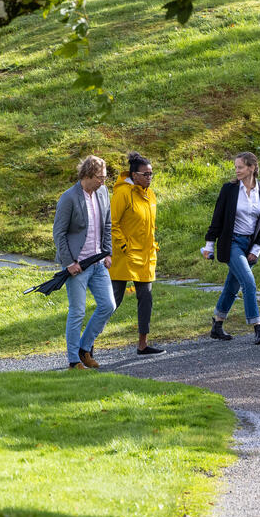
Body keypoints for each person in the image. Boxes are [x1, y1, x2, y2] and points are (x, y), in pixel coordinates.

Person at [202, 152, 260, 345]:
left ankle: (217, 324)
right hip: (231, 243)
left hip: (250, 246)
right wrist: (209, 245)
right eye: (236, 168)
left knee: (232, 286)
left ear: (251, 168)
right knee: (248, 282)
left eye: (240, 167)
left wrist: (256, 249)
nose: (237, 171)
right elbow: (217, 218)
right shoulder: (229, 189)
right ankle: (257, 327)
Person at [53, 155, 115, 369]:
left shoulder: (103, 193)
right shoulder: (69, 198)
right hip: (77, 266)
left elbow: (107, 225)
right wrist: (69, 262)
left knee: (108, 305)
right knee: (77, 311)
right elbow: (59, 233)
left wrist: (108, 253)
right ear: (87, 174)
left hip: (98, 262)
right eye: (100, 177)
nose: (103, 182)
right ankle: (73, 360)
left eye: (105, 178)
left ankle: (84, 348)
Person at [110, 152, 163, 355]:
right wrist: (124, 247)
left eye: (151, 174)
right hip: (125, 256)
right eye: (146, 174)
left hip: (146, 256)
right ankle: (89, 342)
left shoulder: (150, 195)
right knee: (112, 301)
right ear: (134, 174)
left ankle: (143, 344)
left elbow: (149, 225)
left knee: (146, 298)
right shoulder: (122, 193)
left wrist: (153, 245)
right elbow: (112, 224)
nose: (149, 177)